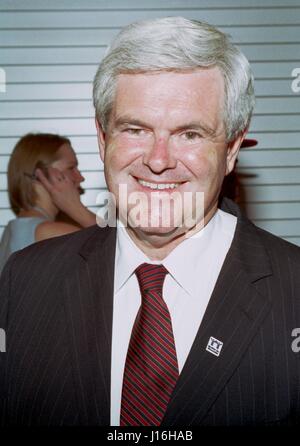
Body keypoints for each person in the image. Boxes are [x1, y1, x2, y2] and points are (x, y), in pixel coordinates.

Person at [0, 17, 299, 427]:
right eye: (135, 129)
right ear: (103, 139)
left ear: (231, 148)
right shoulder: (26, 281)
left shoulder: (294, 290)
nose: (158, 161)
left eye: (190, 134)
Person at [0, 133, 95, 273]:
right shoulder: (51, 233)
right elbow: (118, 251)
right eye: (71, 168)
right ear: (41, 175)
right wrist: (77, 209)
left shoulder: (13, 229)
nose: (80, 177)